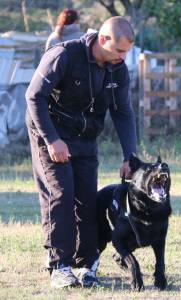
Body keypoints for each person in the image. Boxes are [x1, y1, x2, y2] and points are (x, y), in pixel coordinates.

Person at [25, 16, 137, 289]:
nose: (123, 58)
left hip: (85, 137)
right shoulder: (64, 54)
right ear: (102, 40)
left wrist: (130, 155)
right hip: (50, 132)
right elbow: (34, 97)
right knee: (61, 193)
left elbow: (122, 112)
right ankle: (59, 265)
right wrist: (52, 140)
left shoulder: (117, 69)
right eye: (119, 51)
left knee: (87, 199)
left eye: (127, 52)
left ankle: (87, 263)